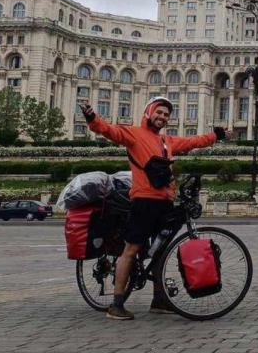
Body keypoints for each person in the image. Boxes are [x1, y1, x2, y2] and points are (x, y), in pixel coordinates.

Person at [80, 96, 232, 320]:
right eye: (159, 112)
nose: (162, 117)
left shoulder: (166, 141)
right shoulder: (134, 134)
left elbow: (193, 142)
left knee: (161, 251)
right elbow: (109, 130)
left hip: (165, 201)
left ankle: (159, 301)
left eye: (166, 114)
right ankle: (116, 304)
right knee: (131, 250)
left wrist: (216, 136)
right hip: (144, 201)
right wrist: (92, 118)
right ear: (149, 112)